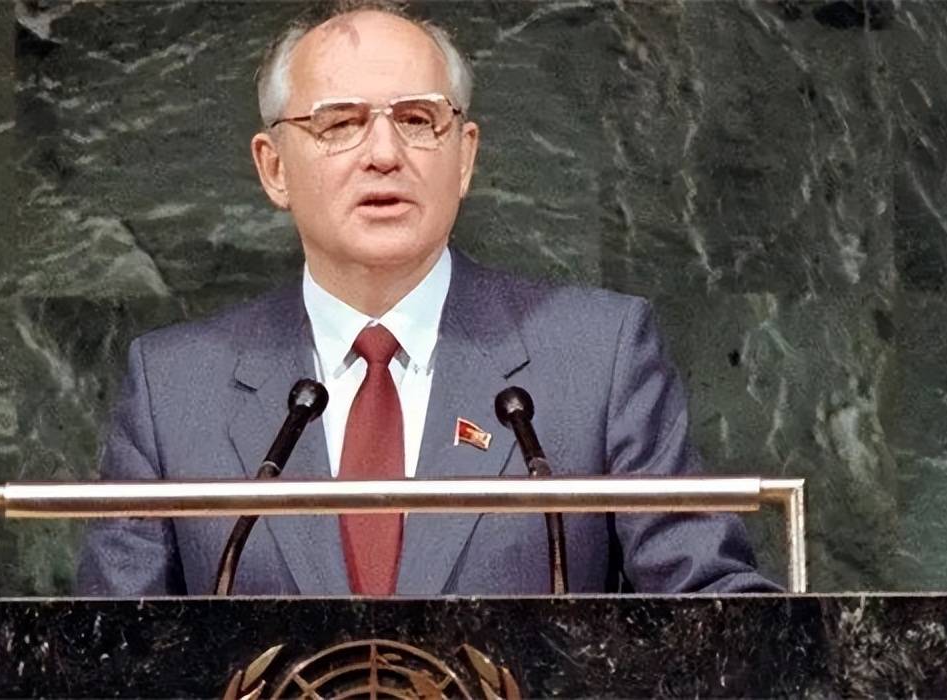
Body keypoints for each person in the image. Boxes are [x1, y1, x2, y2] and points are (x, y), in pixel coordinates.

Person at [77, 0, 780, 596]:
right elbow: (105, 653)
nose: (384, 154)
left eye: (417, 119)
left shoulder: (597, 357)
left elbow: (716, 614)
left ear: (465, 156)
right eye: (339, 123)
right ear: (274, 168)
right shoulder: (176, 388)